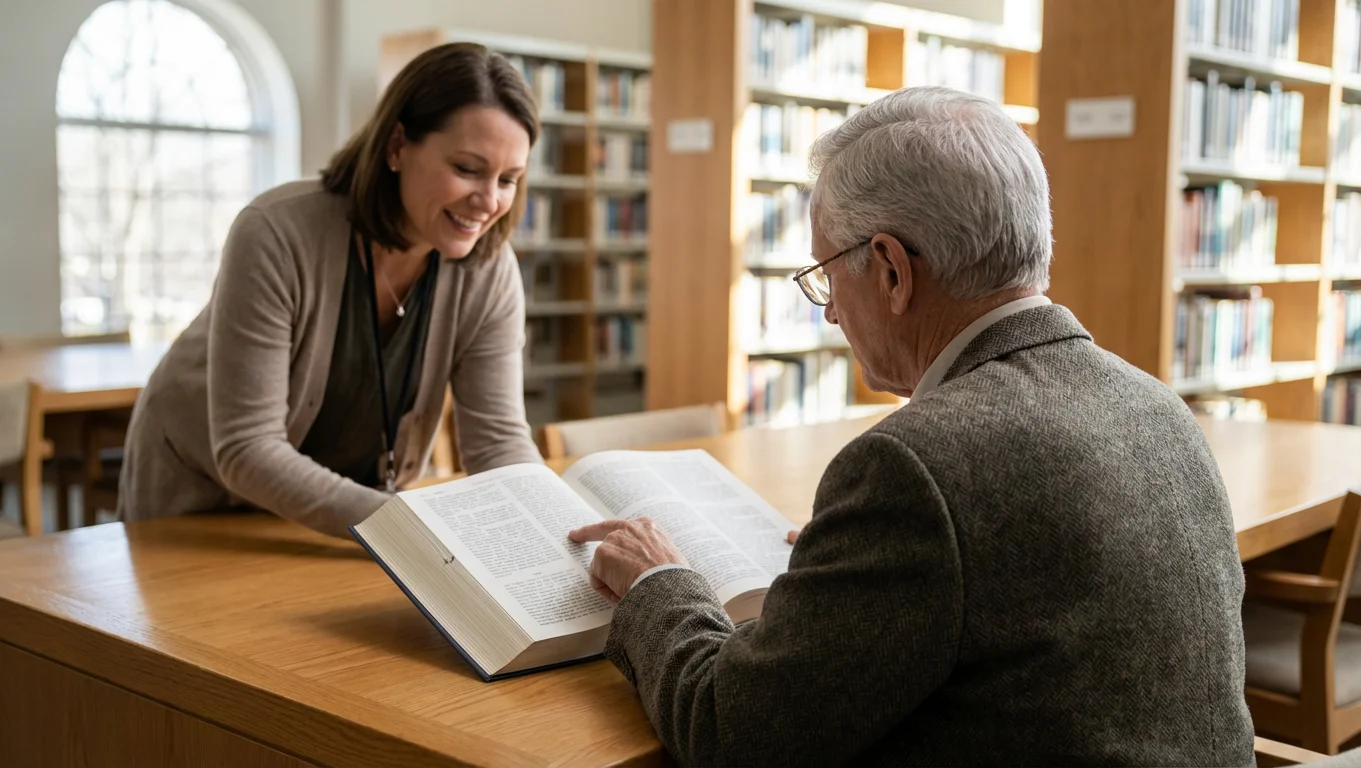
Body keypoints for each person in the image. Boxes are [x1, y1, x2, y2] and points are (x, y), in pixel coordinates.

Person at [568, 86, 1256, 766]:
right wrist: (878, 557)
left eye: (827, 274)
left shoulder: (916, 466)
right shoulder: (1159, 406)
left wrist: (659, 584)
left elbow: (729, 734)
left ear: (893, 270)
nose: (831, 312)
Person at [117, 42, 544, 538]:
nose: (489, 201)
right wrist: (410, 525)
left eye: (509, 179)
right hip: (203, 499)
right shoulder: (275, 232)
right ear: (397, 146)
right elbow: (246, 448)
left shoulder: (489, 270)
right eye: (467, 169)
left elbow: (497, 441)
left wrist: (549, 527)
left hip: (350, 516)